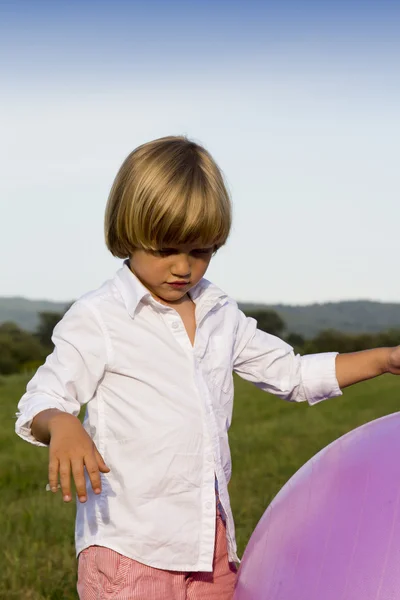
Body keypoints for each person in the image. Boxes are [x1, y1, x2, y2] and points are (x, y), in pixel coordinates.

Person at [15, 136, 400, 600]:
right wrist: (60, 424)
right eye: (166, 249)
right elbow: (42, 397)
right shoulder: (100, 317)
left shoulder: (220, 312)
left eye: (201, 251)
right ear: (129, 234)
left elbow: (293, 374)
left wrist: (384, 359)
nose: (183, 267)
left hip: (209, 548)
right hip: (128, 551)